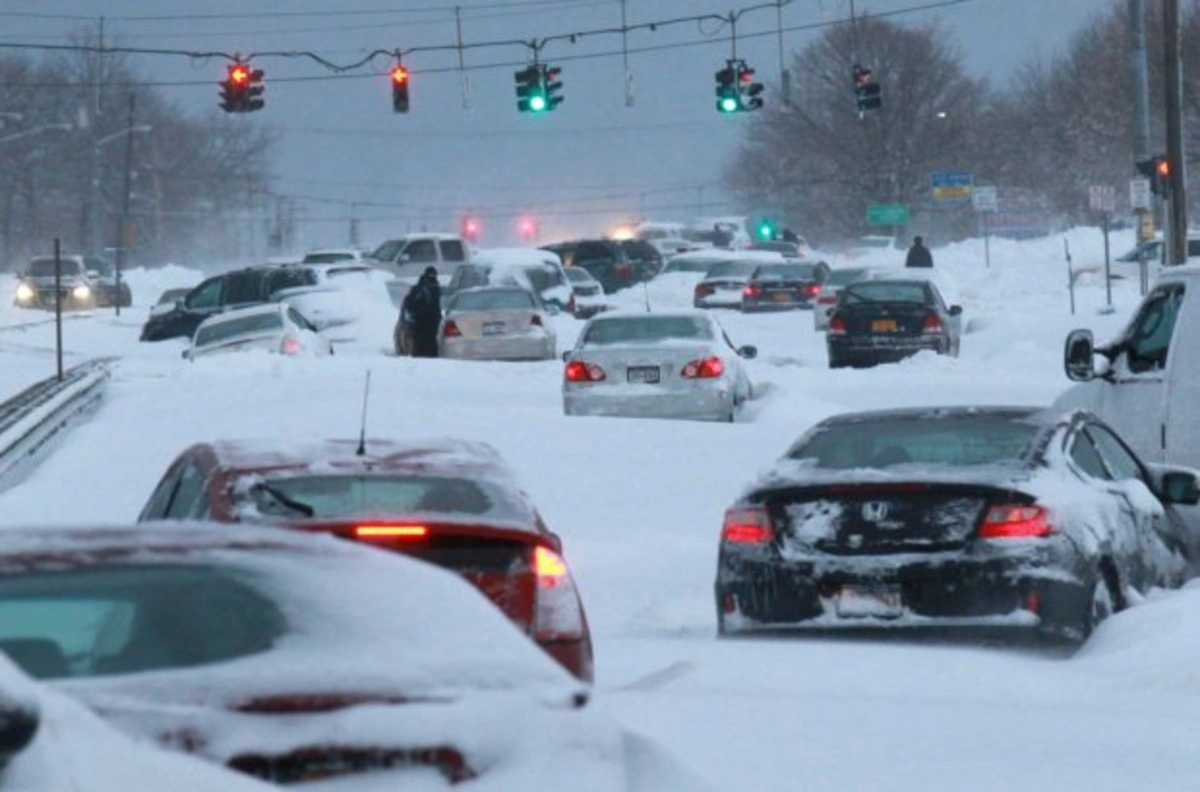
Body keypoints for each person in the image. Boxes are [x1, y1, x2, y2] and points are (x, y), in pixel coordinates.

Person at [402, 266, 443, 358]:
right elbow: (410, 303)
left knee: (427, 342)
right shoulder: (421, 288)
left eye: (433, 274)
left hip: (428, 320)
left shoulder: (434, 287)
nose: (432, 276)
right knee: (424, 342)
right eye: (431, 274)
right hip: (423, 320)